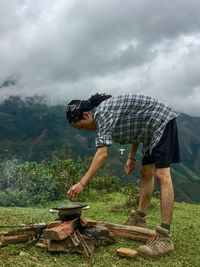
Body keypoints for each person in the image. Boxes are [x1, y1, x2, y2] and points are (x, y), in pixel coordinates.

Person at [66, 93, 180, 258]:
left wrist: (81, 183)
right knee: (146, 171)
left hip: (161, 121)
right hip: (148, 129)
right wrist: (131, 156)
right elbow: (136, 126)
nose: (83, 130)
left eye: (81, 126)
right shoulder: (103, 113)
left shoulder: (102, 113)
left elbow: (102, 154)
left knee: (162, 174)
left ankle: (164, 238)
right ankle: (140, 219)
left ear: (86, 114)